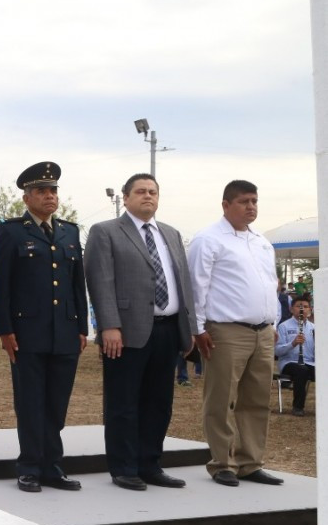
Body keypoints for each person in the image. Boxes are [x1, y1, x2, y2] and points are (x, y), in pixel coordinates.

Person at [84, 173, 196, 491]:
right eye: (141, 191)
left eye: (153, 192)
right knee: (123, 403)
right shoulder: (105, 231)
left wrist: (187, 330)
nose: (148, 196)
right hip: (125, 332)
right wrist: (109, 325)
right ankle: (123, 467)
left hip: (167, 330)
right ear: (127, 196)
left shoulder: (171, 234)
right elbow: (99, 281)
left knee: (159, 402)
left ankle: (150, 465)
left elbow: (183, 283)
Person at [0, 161, 87, 493]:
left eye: (53, 191)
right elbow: (0, 286)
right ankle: (30, 466)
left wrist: (82, 328)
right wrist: (4, 330)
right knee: (31, 403)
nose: (50, 196)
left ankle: (52, 467)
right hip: (27, 334)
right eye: (42, 191)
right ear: (27, 197)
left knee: (56, 404)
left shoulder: (70, 232)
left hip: (65, 333)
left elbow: (78, 285)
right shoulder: (10, 231)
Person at [189, 180, 284, 486]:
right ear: (226, 205)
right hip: (227, 330)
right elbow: (196, 286)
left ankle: (250, 462)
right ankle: (223, 462)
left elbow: (272, 284)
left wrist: (274, 322)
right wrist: (198, 328)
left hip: (263, 332)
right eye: (243, 201)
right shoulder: (209, 239)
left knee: (256, 400)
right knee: (221, 399)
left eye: (254, 200)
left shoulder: (261, 242)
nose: (251, 206)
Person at [275, 294, 315, 417]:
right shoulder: (283, 326)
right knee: (301, 370)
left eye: (306, 306)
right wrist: (292, 343)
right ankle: (298, 407)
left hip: (310, 362)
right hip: (289, 363)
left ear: (310, 310)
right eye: (299, 306)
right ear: (292, 309)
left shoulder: (314, 328)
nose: (302, 309)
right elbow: (276, 351)